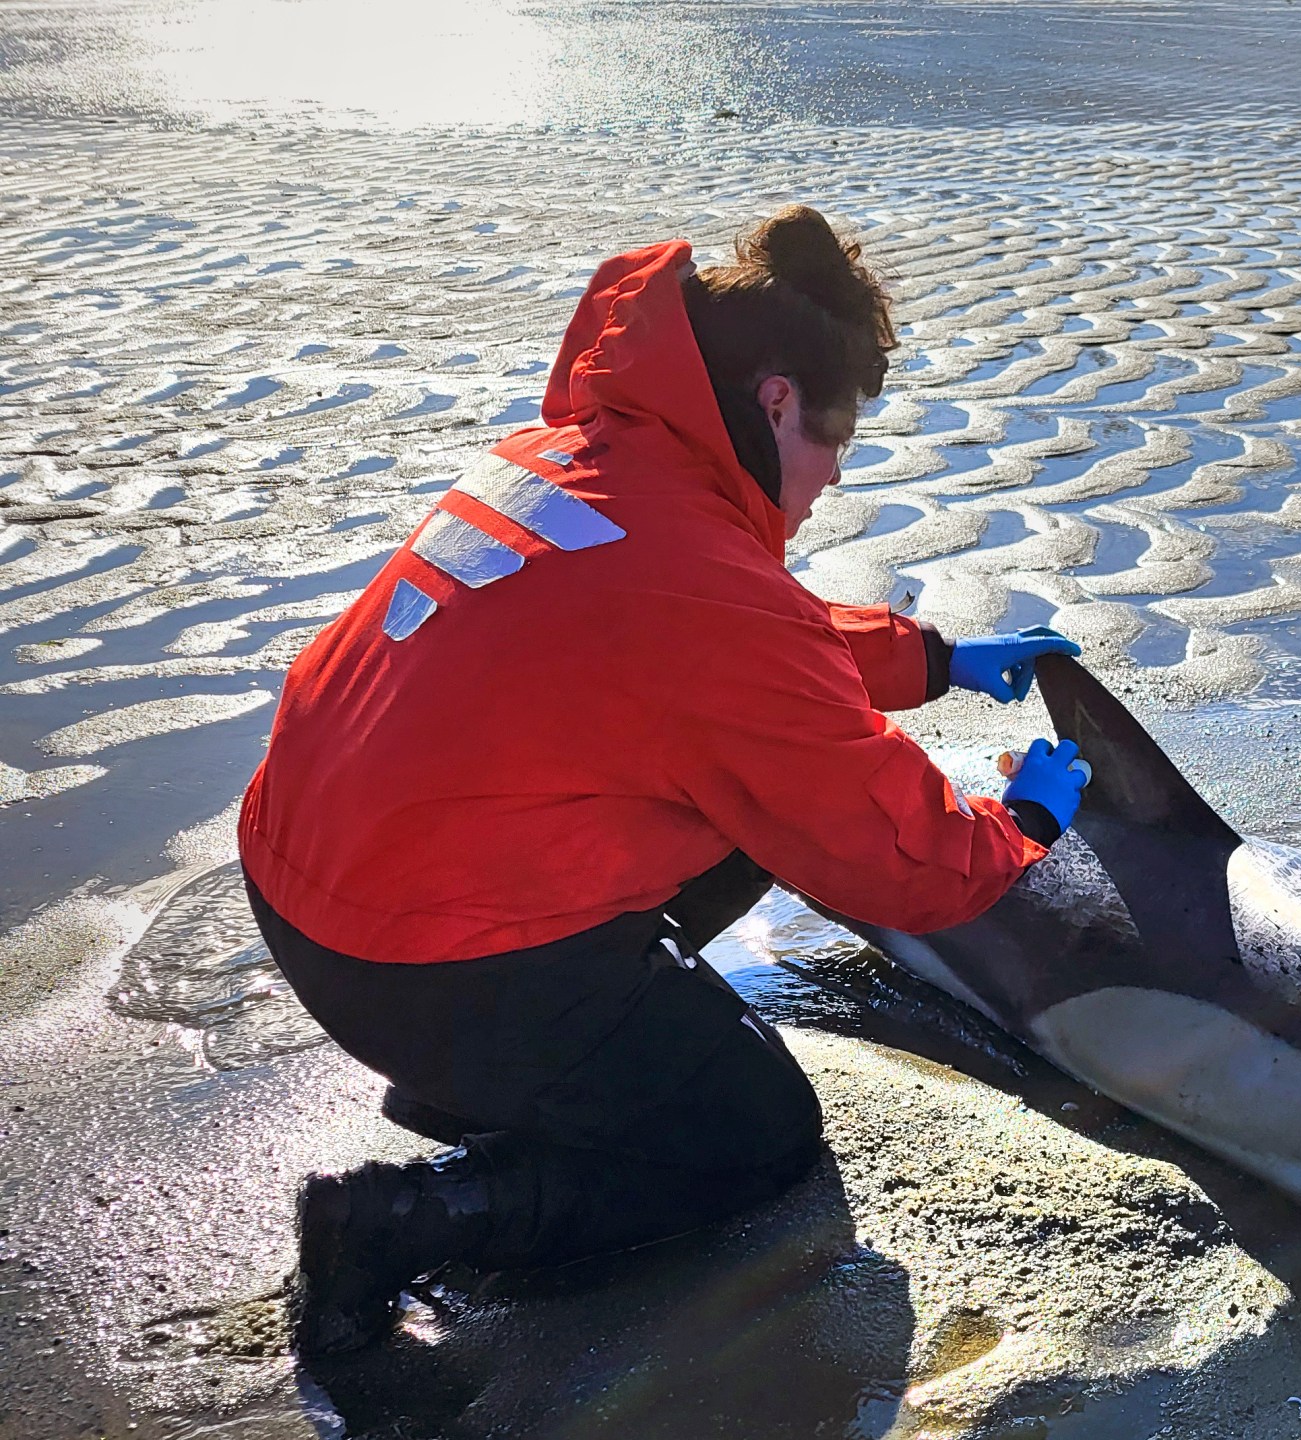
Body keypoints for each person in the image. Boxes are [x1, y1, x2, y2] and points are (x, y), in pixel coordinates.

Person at [237, 205, 1091, 1355]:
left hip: (312, 887)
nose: (835, 473)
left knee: (740, 803)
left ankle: (507, 1077)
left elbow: (707, 646)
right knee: (757, 1140)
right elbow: (899, 858)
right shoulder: (700, 589)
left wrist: (931, 657)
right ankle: (411, 1215)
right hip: (414, 958)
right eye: (836, 438)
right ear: (777, 400)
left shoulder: (585, 463)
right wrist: (1024, 820)